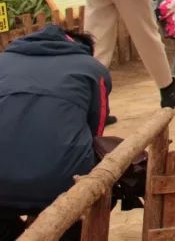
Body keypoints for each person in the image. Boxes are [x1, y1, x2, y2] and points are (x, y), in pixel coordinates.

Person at [0, 26, 110, 241]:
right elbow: (96, 133)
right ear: (83, 48)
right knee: (73, 211)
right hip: (60, 185)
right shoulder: (92, 69)